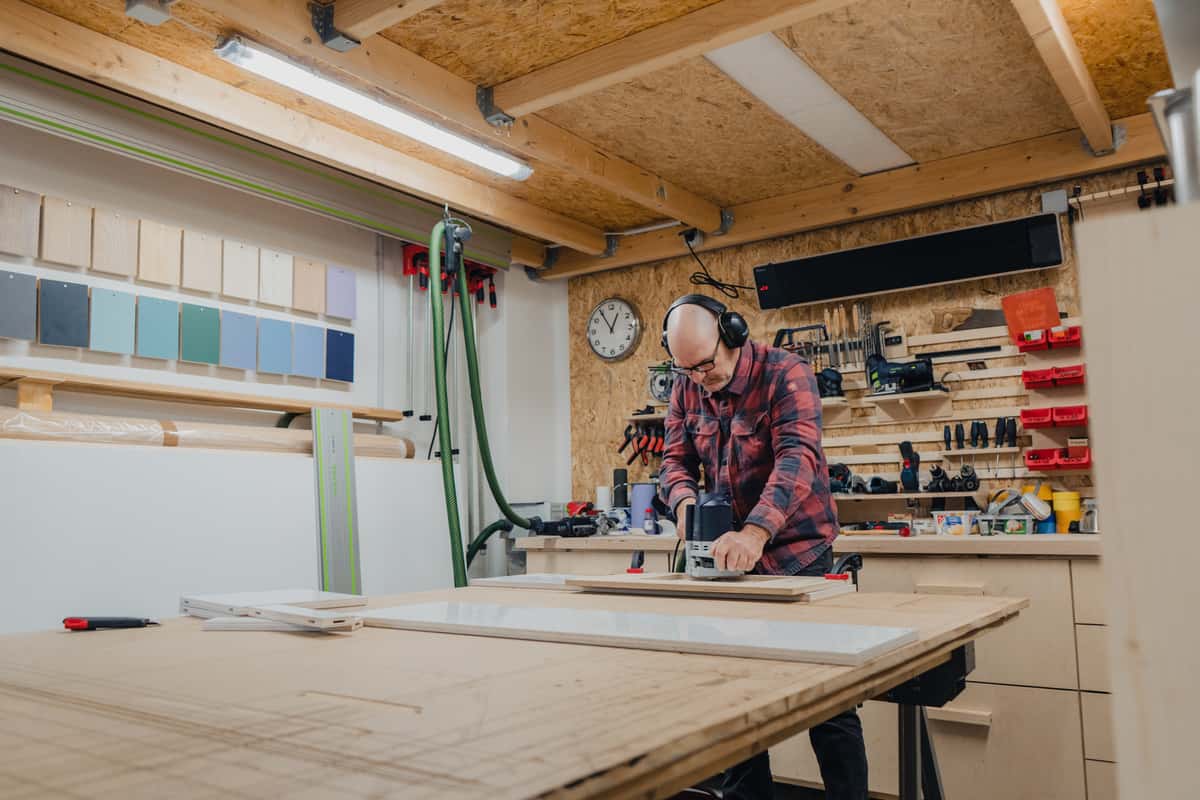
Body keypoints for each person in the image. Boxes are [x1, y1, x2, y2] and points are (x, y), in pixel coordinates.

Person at [657, 294, 867, 800]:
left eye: (706, 364)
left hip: (798, 552)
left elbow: (798, 457)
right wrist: (686, 508)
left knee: (828, 699)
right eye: (685, 370)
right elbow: (673, 461)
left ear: (733, 334)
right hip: (727, 557)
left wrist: (755, 532)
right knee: (732, 696)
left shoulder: (785, 373)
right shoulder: (689, 384)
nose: (698, 378)